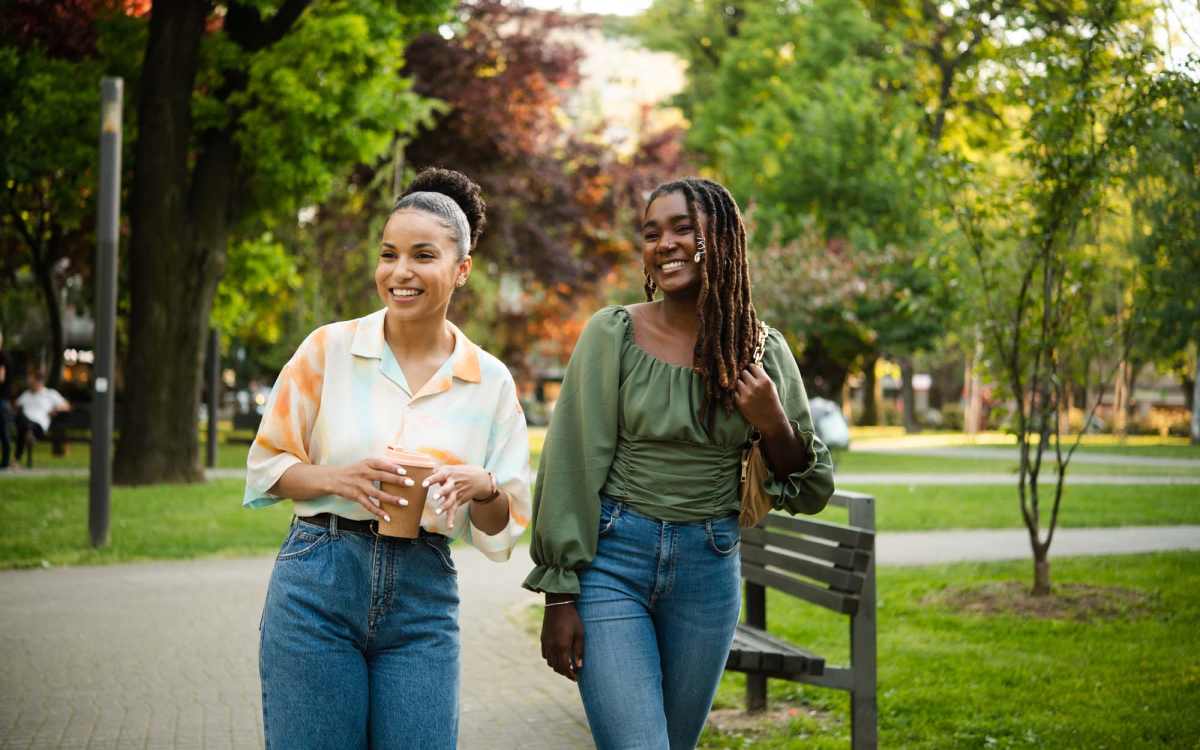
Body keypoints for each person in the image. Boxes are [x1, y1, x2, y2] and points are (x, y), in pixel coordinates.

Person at [525, 177, 835, 750]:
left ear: (721, 239)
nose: (663, 242)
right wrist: (560, 594)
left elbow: (811, 487)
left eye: (682, 228)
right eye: (651, 233)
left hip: (708, 572)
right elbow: (570, 464)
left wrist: (771, 420)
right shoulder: (612, 334)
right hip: (613, 565)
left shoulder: (763, 352)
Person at [244, 168, 531, 750]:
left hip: (423, 595)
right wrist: (338, 478)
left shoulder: (490, 380)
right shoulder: (329, 348)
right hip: (318, 582)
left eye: (423, 255)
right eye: (389, 254)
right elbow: (267, 467)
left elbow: (500, 531)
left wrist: (484, 487)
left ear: (461, 269)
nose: (400, 272)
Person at [14, 367, 70, 464]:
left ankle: (16, 459)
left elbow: (66, 406)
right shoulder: (26, 394)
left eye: (31, 381)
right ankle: (29, 435)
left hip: (39, 425)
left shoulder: (50, 394)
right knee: (23, 423)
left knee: (24, 428)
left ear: (38, 381)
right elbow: (16, 406)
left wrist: (55, 409)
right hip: (24, 422)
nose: (29, 383)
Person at [0, 331, 11, 469]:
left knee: (3, 431)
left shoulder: (2, 356)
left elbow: (1, 378)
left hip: (1, 400)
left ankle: (5, 461)